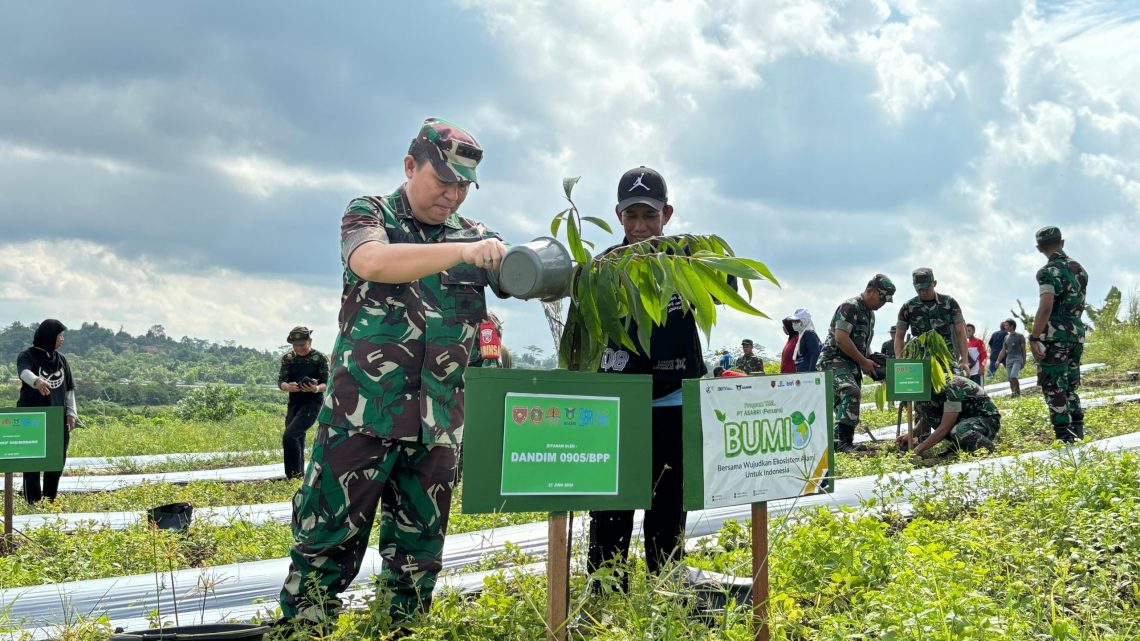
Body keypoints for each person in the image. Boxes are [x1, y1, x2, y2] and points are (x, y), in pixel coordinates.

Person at [279, 117, 509, 624]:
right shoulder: (370, 214)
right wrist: (464, 252)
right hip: (361, 417)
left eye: (464, 187)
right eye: (443, 181)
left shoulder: (478, 236)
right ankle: (303, 632)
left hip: (436, 426)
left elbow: (529, 276)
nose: (453, 195)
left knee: (417, 561)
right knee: (324, 547)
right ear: (410, 166)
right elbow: (373, 263)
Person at [588, 166, 707, 593]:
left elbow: (724, 281)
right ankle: (605, 590)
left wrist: (692, 254)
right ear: (618, 215)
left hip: (675, 400)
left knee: (668, 502)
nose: (641, 226)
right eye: (631, 215)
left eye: (650, 216)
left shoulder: (688, 262)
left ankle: (666, 587)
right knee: (612, 506)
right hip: (620, 408)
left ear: (667, 214)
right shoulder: (603, 269)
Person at [817, 275, 896, 453]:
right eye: (881, 298)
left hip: (851, 364)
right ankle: (844, 443)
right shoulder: (850, 306)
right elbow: (841, 339)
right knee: (851, 391)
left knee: (841, 405)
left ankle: (839, 442)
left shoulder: (870, 314)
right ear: (870, 291)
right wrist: (864, 362)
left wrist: (874, 365)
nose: (882, 303)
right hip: (833, 360)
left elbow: (864, 346)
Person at [1029, 226, 1088, 442]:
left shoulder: (1047, 272)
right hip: (1076, 335)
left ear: (1039, 248)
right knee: (1071, 385)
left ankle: (1065, 436)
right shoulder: (1080, 270)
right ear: (1062, 242)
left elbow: (1046, 306)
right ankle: (1078, 431)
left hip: (1055, 336)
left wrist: (1034, 337)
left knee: (1054, 385)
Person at [15, 319, 77, 503]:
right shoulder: (28, 355)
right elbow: (24, 372)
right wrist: (37, 381)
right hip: (32, 417)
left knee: (56, 460)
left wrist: (71, 413)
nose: (62, 339)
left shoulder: (61, 360)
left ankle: (50, 500)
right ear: (49, 336)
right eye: (60, 335)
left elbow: (69, 388)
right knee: (32, 461)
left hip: (57, 417)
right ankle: (32, 501)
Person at [896, 374, 1000, 457]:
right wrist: (910, 435)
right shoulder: (928, 390)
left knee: (960, 430)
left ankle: (989, 448)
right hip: (964, 417)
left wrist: (919, 448)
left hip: (986, 419)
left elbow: (945, 427)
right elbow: (928, 418)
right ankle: (961, 447)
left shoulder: (953, 388)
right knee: (922, 406)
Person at [894, 268, 969, 374]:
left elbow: (961, 332)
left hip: (946, 361)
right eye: (919, 290)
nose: (923, 292)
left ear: (934, 283)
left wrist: (964, 361)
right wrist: (899, 360)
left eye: (926, 288)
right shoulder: (908, 307)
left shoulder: (949, 303)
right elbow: (899, 336)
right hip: (919, 362)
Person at [277, 326, 329, 480]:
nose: (299, 348)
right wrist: (287, 387)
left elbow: (327, 384)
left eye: (302, 345)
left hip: (312, 403)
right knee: (297, 437)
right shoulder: (288, 359)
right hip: (294, 402)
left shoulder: (320, 358)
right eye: (296, 345)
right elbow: (281, 382)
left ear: (310, 341)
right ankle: (298, 475)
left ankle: (293, 476)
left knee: (290, 435)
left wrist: (315, 388)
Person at [995, 319, 1026, 397]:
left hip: (1017, 359)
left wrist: (1024, 361)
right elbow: (1003, 350)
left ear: (1012, 326)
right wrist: (998, 360)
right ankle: (1013, 393)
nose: (1005, 327)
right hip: (1009, 359)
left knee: (1013, 376)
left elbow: (1024, 350)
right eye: (1004, 325)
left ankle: (1018, 392)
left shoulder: (1020, 336)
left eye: (1007, 325)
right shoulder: (1006, 337)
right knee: (1010, 379)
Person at [791, 308, 821, 373]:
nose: (793, 323)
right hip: (803, 374)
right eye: (793, 321)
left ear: (804, 321)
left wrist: (811, 373)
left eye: (796, 321)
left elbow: (815, 354)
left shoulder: (808, 333)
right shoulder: (802, 335)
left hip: (808, 376)